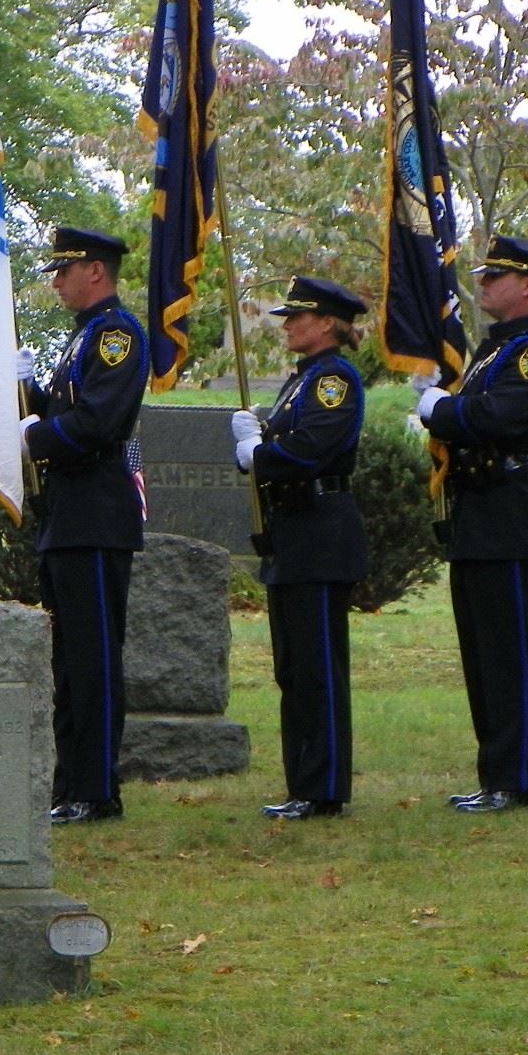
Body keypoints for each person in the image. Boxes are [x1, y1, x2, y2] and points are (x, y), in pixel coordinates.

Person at [416, 235, 528, 814]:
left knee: (511, 656)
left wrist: (442, 410)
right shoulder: (493, 351)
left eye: (495, 277)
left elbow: (497, 416)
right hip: (481, 511)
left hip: (511, 511)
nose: (482, 285)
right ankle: (495, 776)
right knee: (483, 657)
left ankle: (518, 781)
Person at [19, 227, 150, 826]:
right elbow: (63, 410)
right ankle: (70, 783)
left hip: (96, 512)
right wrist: (27, 395)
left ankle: (97, 790)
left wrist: (37, 435)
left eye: (64, 269)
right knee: (70, 662)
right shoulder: (83, 339)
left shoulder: (117, 335)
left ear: (95, 271)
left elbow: (96, 423)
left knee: (94, 658)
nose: (56, 280)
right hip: (69, 515)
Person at [230, 277, 369, 821]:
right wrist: (261, 434)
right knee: (294, 668)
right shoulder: (304, 379)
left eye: (298, 317)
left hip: (319, 534)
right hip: (295, 534)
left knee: (317, 669)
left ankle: (325, 787)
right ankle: (304, 784)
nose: (288, 325)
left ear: (328, 324)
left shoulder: (333, 378)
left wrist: (261, 452)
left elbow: (312, 449)